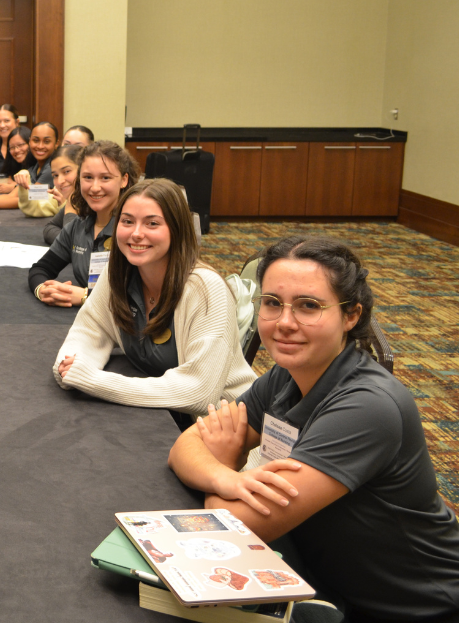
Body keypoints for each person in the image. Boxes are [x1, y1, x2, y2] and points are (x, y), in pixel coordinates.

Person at [167, 236, 459, 622]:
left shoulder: (367, 406)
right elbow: (184, 447)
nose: (285, 323)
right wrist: (225, 478)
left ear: (351, 315)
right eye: (272, 304)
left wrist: (221, 468)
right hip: (325, 578)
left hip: (415, 608)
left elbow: (237, 525)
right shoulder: (286, 375)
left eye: (309, 306)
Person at [52, 179, 255, 424]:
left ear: (176, 228)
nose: (136, 233)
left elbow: (199, 392)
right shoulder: (118, 272)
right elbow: (89, 330)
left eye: (152, 223)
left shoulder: (205, 289)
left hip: (223, 429)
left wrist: (93, 380)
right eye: (127, 221)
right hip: (158, 413)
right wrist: (75, 364)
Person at [28, 140, 140, 307]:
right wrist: (43, 290)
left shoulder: (135, 230)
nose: (95, 187)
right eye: (88, 177)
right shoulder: (78, 226)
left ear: (124, 180)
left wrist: (85, 296)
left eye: (105, 178)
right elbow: (40, 269)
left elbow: (141, 293)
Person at [0, 122, 61, 212]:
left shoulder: (52, 167)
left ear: (56, 143)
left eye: (47, 141)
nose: (40, 146)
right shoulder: (35, 167)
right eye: (36, 140)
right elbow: (12, 196)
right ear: (30, 141)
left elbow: (29, 198)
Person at [38, 143, 84, 240]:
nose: (60, 181)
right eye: (55, 175)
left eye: (66, 171)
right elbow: (49, 228)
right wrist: (63, 239)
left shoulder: (93, 201)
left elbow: (74, 244)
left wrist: (70, 210)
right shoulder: (76, 199)